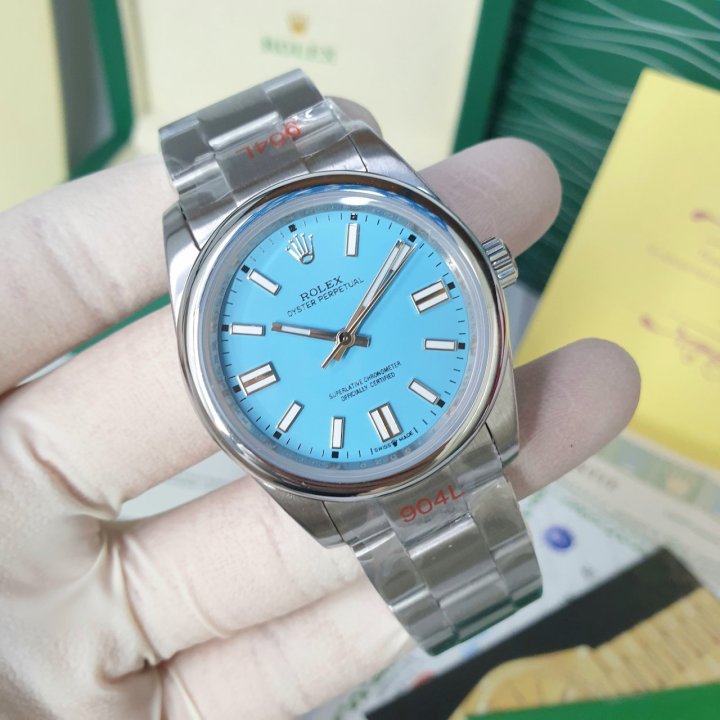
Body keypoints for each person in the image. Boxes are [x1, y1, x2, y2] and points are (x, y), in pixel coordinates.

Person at [0, 99, 639, 719]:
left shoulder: (391, 218)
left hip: (452, 419)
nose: (346, 339)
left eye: (345, 335)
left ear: (488, 268)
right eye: (340, 338)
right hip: (349, 459)